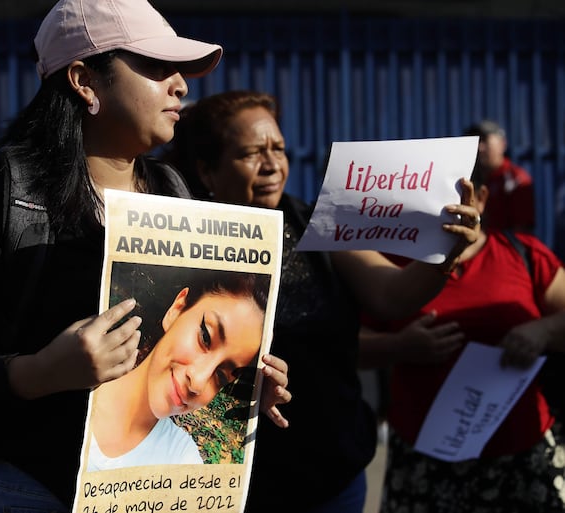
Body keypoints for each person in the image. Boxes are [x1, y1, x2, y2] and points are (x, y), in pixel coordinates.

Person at [0, 2, 290, 512]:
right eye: (155, 66)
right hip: (29, 491)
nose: (180, 86)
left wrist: (245, 390)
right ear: (85, 81)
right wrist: (38, 372)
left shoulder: (173, 194)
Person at [162, 90, 481, 512]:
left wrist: (446, 250)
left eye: (277, 148)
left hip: (332, 473)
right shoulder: (181, 241)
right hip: (235, 482)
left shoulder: (319, 222)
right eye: (251, 153)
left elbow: (392, 295)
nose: (272, 164)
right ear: (207, 170)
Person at [358, 156, 565, 512]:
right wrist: (399, 346)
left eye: (454, 193)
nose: (442, 206)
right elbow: (345, 346)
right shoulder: (394, 269)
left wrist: (542, 331)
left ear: (481, 198)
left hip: (521, 456)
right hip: (425, 461)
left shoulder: (525, 256)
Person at [88, 268, 270, 471]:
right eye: (205, 337)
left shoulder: (182, 460)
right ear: (177, 309)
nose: (198, 382)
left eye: (220, 376)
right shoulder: (76, 376)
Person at [464, 119, 534, 233]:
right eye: (476, 141)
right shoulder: (468, 177)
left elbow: (522, 230)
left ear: (502, 144)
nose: (479, 147)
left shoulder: (516, 179)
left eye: (484, 140)